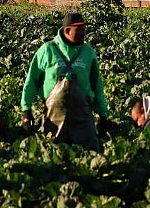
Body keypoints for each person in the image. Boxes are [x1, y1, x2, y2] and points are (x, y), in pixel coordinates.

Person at [21, 13, 109, 151]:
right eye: (78, 29)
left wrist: (103, 115)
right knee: (54, 154)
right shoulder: (47, 50)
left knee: (90, 153)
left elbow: (97, 85)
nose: (83, 33)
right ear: (67, 30)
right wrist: (26, 110)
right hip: (54, 118)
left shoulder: (88, 52)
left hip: (83, 118)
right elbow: (31, 82)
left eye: (84, 29)